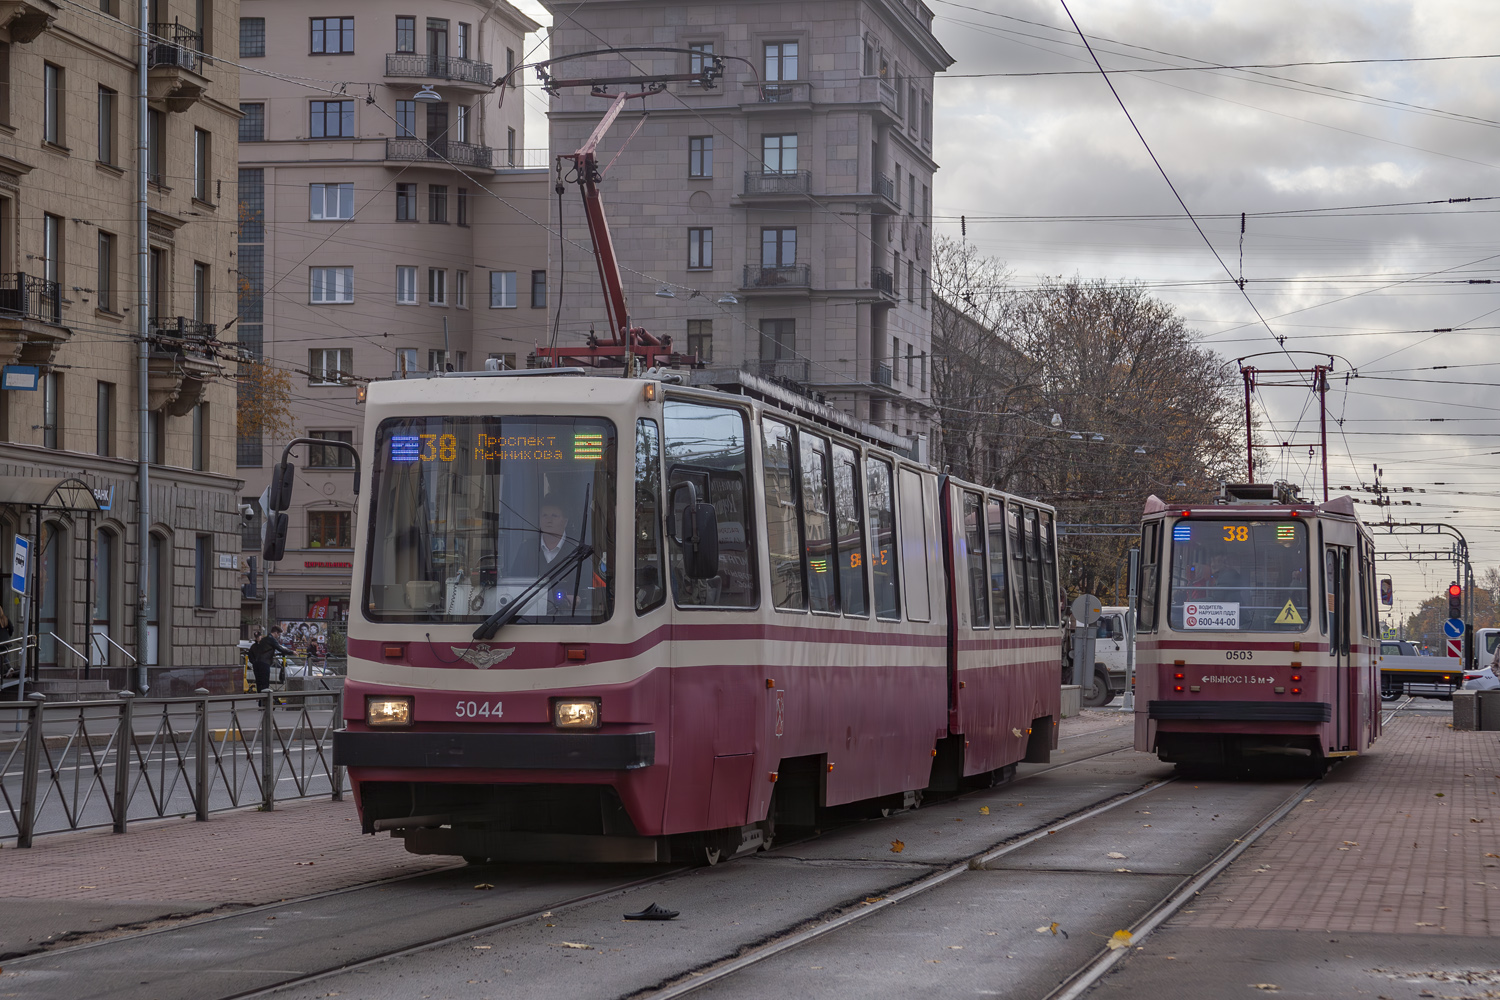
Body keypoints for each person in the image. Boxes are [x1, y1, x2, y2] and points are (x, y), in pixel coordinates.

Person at [246, 626, 294, 693]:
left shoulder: (263, 640)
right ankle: (264, 702)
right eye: (279, 634)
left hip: (257, 664)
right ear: (276, 633)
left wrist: (254, 662)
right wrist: (292, 652)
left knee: (259, 684)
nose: (278, 636)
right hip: (264, 663)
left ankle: (261, 701)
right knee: (265, 684)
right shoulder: (271, 639)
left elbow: (254, 653)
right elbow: (280, 648)